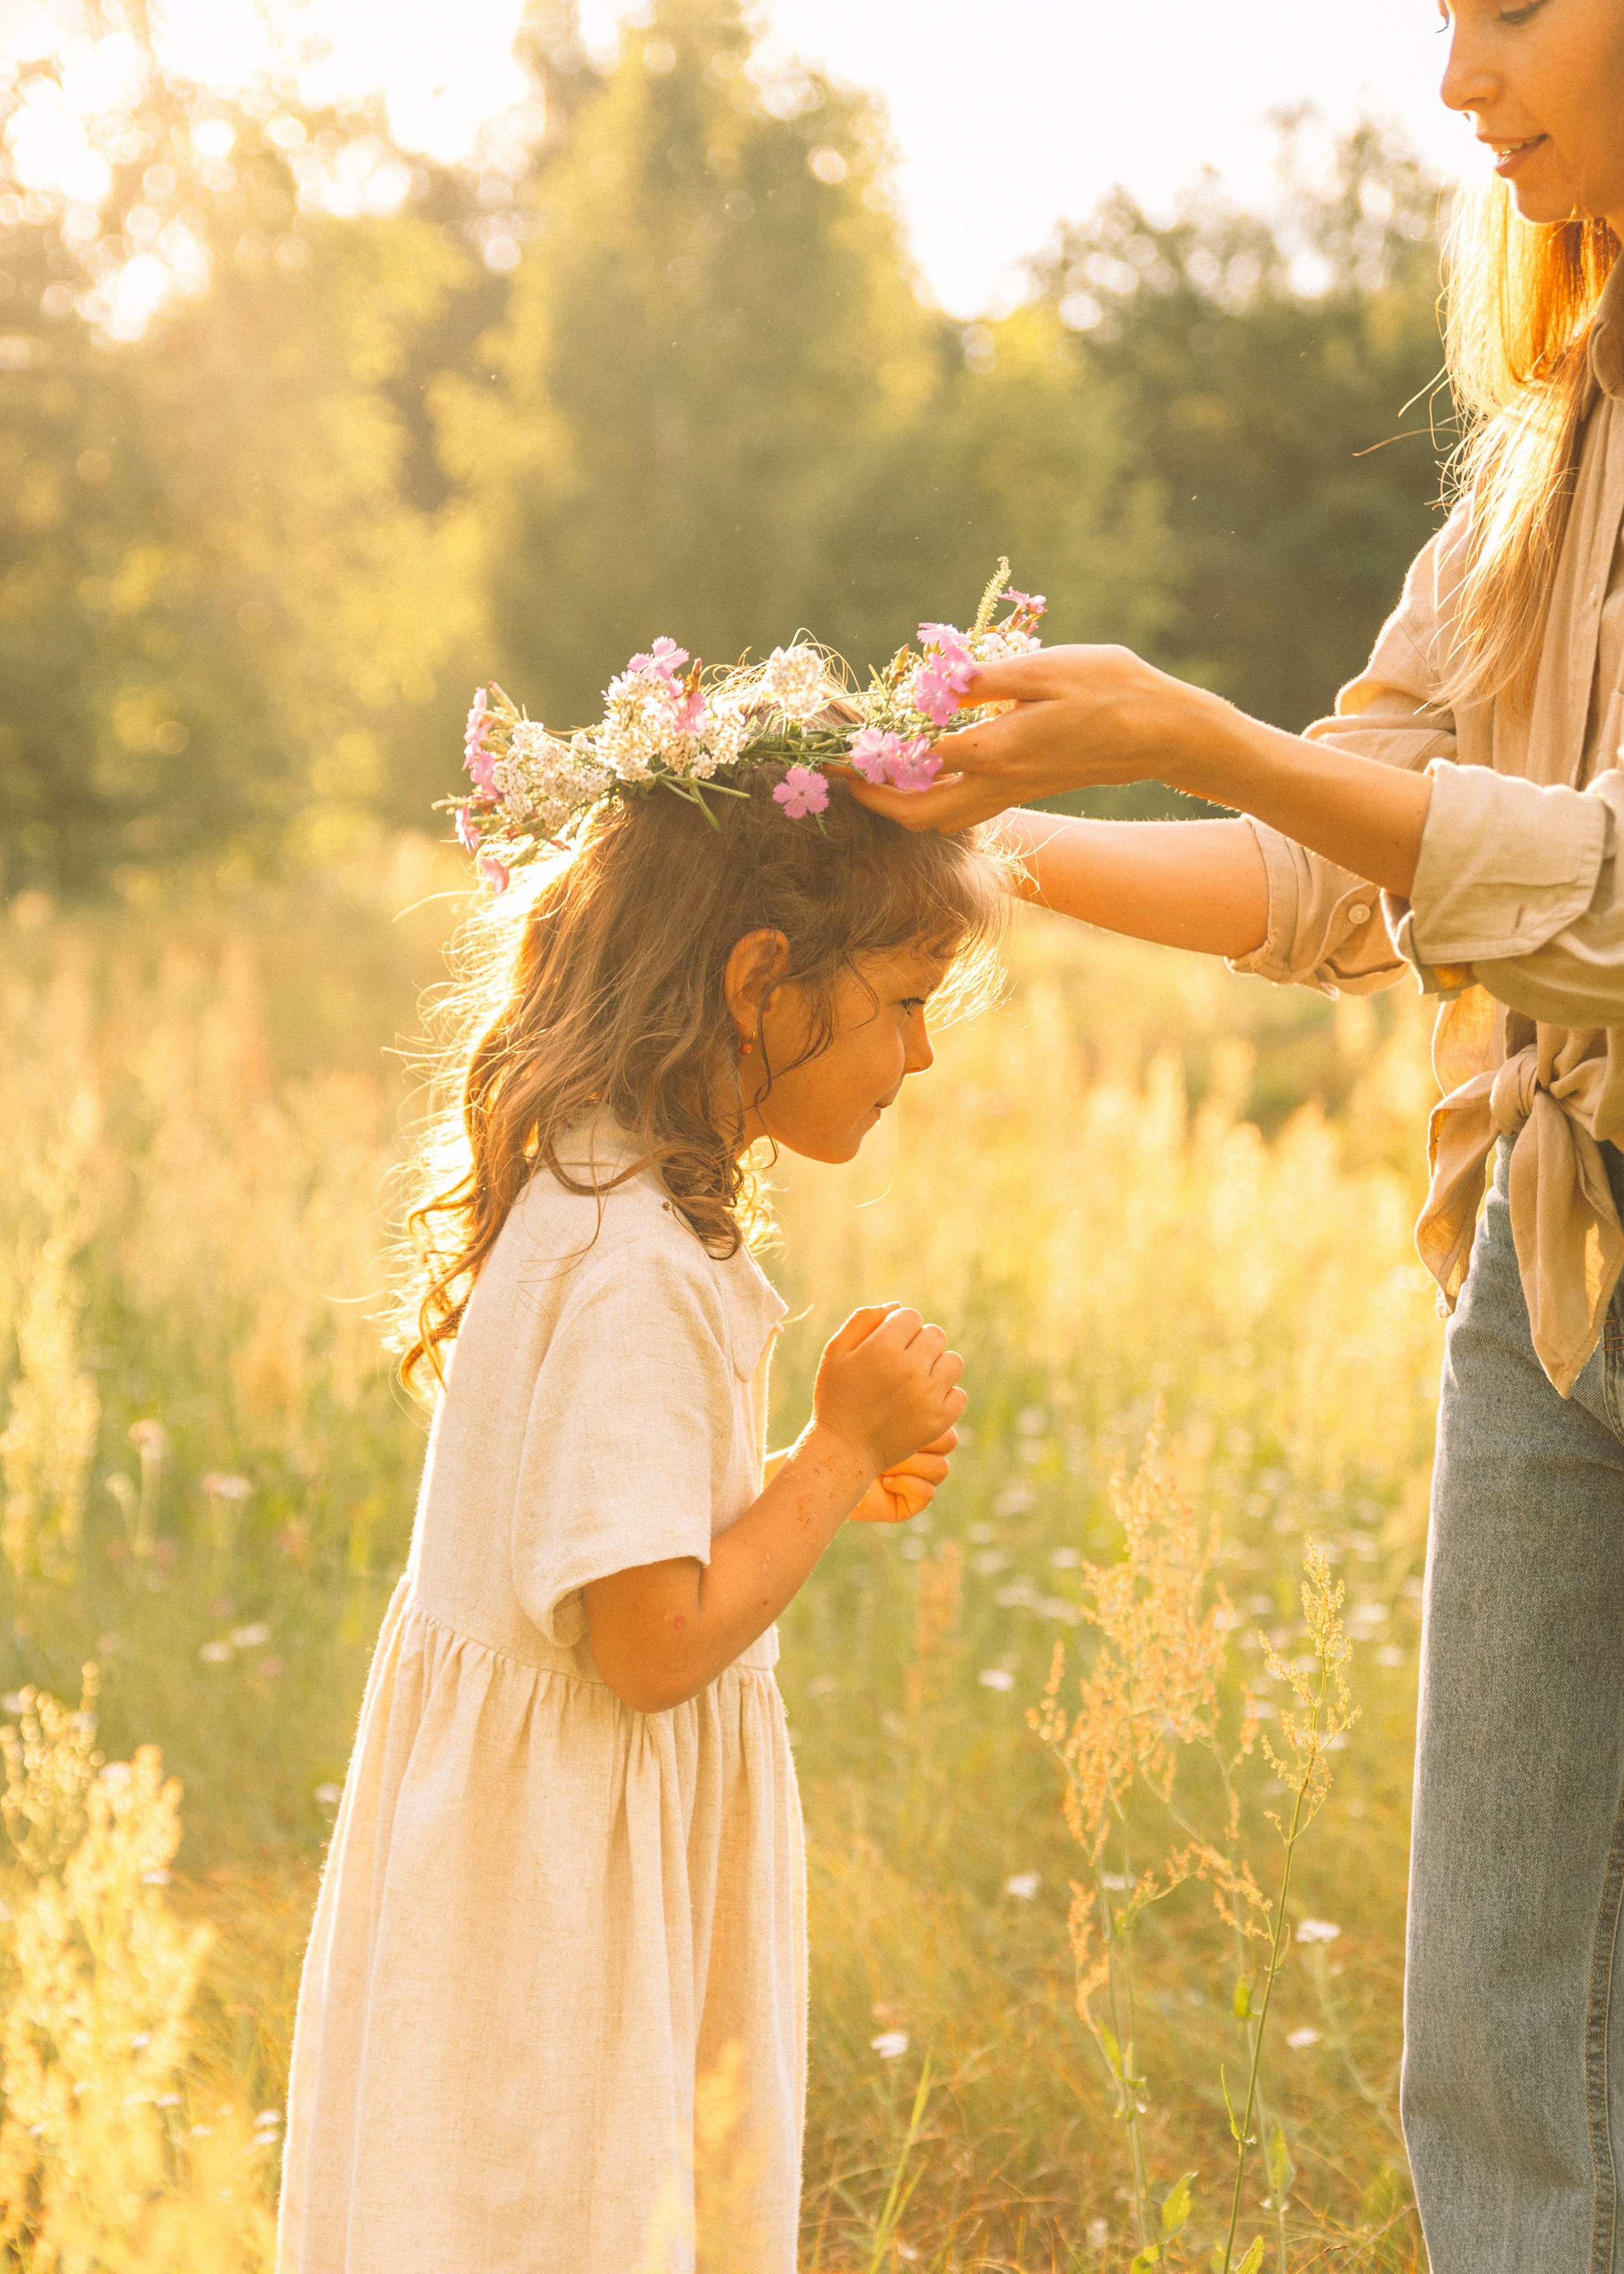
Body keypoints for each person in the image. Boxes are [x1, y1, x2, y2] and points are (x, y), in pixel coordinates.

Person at [855, 4, 1624, 2266]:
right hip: (1551, 1269)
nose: (1455, 80)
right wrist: (990, 844)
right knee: (1497, 2023)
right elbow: (1351, 875)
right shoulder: (1543, 453)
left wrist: (1197, 729)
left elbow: (1586, 886)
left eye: (1510, 10)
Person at [275, 714, 1005, 2271]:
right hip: (563, 1916)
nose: (922, 1052)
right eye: (901, 1002)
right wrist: (831, 1459)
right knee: (557, 2218)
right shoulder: (637, 1269)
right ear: (756, 984)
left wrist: (788, 1499)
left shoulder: (598, 1191)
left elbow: (624, 1547)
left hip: (518, 1869)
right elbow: (651, 1643)